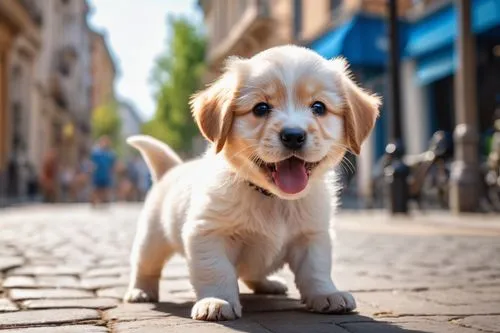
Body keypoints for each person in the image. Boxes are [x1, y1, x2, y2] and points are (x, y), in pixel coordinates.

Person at [90, 136, 117, 206]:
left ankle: (104, 201)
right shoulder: (96, 152)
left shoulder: (110, 153)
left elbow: (112, 164)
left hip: (106, 174)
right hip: (98, 174)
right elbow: (92, 163)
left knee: (105, 189)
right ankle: (94, 202)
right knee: (96, 189)